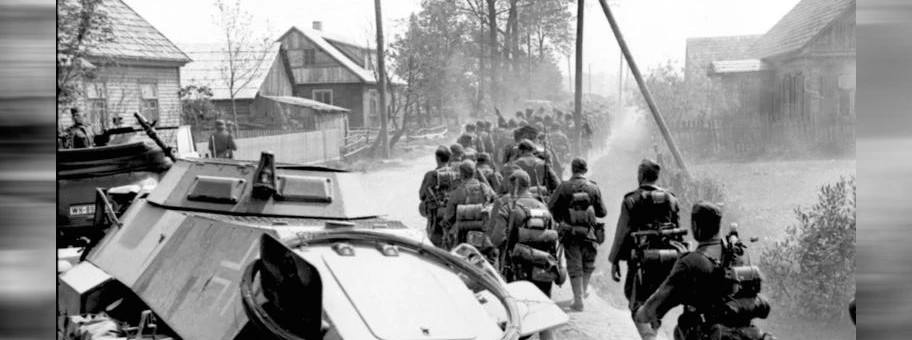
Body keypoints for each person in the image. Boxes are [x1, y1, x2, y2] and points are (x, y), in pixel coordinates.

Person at [634, 202, 774, 340]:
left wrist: (638, 310)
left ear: (695, 226)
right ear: (718, 224)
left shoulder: (689, 263)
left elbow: (650, 312)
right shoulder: (741, 253)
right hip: (745, 333)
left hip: (710, 335)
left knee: (681, 329)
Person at [608, 159, 684, 340]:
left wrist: (615, 261)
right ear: (657, 177)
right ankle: (652, 334)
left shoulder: (631, 199)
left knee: (636, 303)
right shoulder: (671, 198)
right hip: (668, 260)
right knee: (658, 301)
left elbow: (622, 234)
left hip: (641, 262)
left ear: (641, 176)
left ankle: (649, 337)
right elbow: (678, 233)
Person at [487, 169, 559, 340]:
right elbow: (552, 239)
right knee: (544, 313)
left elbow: (496, 239)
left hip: (515, 268)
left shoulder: (507, 206)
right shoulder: (543, 207)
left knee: (515, 316)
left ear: (513, 184)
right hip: (542, 267)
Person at [548, 158, 607, 311]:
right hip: (590, 233)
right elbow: (602, 212)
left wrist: (560, 220)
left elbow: (551, 207)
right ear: (585, 170)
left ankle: (578, 299)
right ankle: (583, 290)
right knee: (588, 264)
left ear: (572, 169)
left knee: (574, 266)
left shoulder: (564, 187)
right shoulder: (594, 187)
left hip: (570, 233)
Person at [442, 160, 496, 249]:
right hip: (483, 236)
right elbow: (496, 203)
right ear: (474, 173)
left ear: (461, 174)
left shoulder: (457, 192)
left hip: (462, 238)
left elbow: (448, 217)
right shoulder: (485, 188)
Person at [419, 146, 457, 248]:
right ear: (449, 158)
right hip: (453, 214)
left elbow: (422, 195)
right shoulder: (456, 174)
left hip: (436, 215)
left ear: (437, 158)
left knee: (435, 245)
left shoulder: (431, 175)